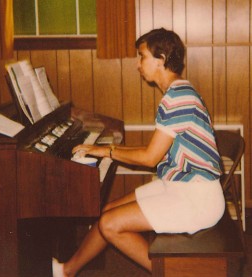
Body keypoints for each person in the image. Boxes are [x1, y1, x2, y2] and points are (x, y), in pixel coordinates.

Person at [52, 28, 225, 277]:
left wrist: (106, 151)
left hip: (197, 199)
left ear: (161, 59)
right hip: (178, 186)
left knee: (109, 225)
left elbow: (149, 158)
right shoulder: (178, 92)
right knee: (108, 211)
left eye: (141, 56)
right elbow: (151, 151)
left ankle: (171, 273)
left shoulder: (177, 98)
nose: (137, 64)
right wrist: (102, 150)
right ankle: (66, 270)